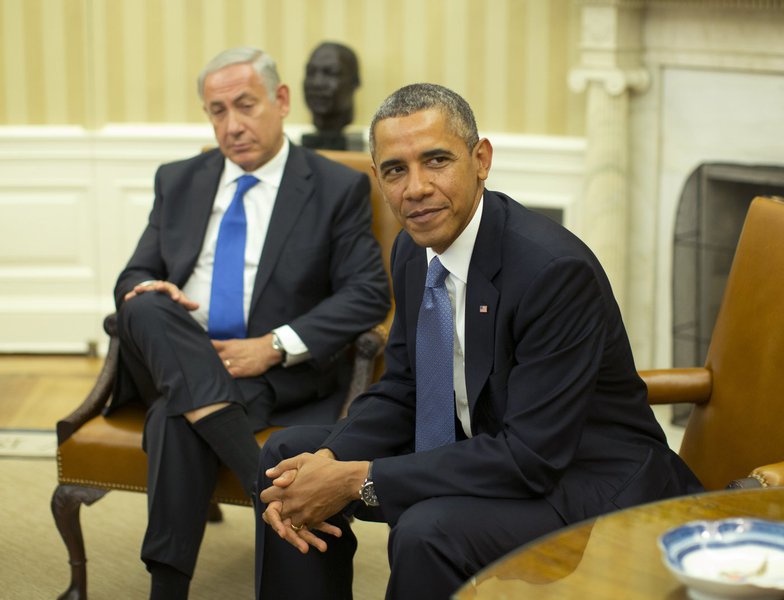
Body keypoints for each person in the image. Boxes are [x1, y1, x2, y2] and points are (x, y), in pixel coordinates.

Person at [255, 83, 703, 600]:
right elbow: (404, 389)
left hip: (588, 479)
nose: (416, 187)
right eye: (396, 170)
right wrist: (327, 465)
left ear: (481, 159)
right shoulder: (411, 247)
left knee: (429, 530)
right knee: (288, 459)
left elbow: (532, 456)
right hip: (486, 444)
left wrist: (359, 478)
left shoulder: (553, 272)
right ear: (377, 179)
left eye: (437, 160)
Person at [109, 47, 390, 599]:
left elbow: (368, 292)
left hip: (267, 372)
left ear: (280, 101)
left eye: (245, 105)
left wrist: (273, 346)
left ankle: (166, 590)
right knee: (142, 303)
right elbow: (133, 275)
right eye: (217, 111)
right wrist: (150, 287)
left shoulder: (335, 186)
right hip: (180, 348)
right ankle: (270, 485)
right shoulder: (180, 180)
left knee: (174, 414)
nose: (232, 125)